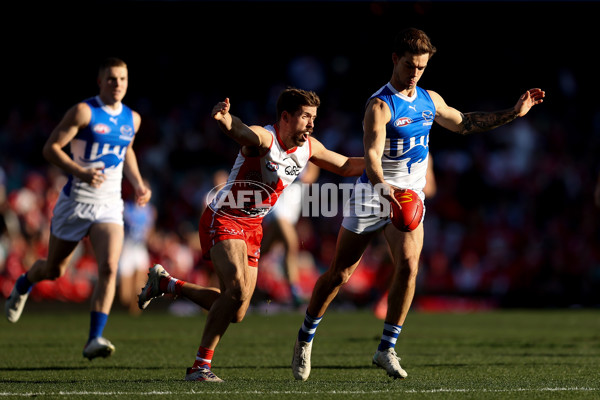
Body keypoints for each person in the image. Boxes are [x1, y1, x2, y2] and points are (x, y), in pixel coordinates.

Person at [291, 27, 545, 381]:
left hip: (410, 197)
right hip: (373, 194)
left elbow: (466, 123)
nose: (414, 73)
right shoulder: (380, 105)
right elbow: (372, 156)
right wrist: (382, 188)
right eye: (409, 65)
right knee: (339, 274)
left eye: (421, 67)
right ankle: (305, 338)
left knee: (409, 267)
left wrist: (513, 113)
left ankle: (386, 348)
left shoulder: (430, 100)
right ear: (395, 59)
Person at [137, 88, 364, 382]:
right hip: (225, 216)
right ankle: (199, 367)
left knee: (237, 311)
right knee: (235, 292)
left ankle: (167, 283)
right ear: (285, 117)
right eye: (306, 116)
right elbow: (244, 132)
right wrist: (225, 120)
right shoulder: (266, 139)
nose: (311, 124)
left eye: (314, 118)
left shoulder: (309, 147)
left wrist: (382, 164)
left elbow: (345, 165)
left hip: (253, 227)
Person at [5, 57, 152, 360]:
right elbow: (51, 148)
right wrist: (82, 172)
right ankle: (24, 283)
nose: (117, 84)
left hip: (109, 205)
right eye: (111, 79)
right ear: (100, 82)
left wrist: (138, 183)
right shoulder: (85, 111)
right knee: (54, 269)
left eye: (122, 79)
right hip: (76, 202)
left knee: (110, 267)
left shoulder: (132, 119)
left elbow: (128, 151)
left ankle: (94, 338)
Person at [260, 162, 320, 307]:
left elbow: (311, 176)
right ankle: (294, 291)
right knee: (291, 242)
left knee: (265, 249)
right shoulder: (280, 149)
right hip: (277, 202)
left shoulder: (310, 150)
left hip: (293, 205)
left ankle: (241, 273)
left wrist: (299, 177)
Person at [117, 180, 156, 315]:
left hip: (140, 249)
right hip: (126, 249)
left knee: (139, 287)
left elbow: (150, 231)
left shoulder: (150, 211)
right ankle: (125, 309)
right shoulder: (125, 208)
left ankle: (135, 315)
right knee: (125, 296)